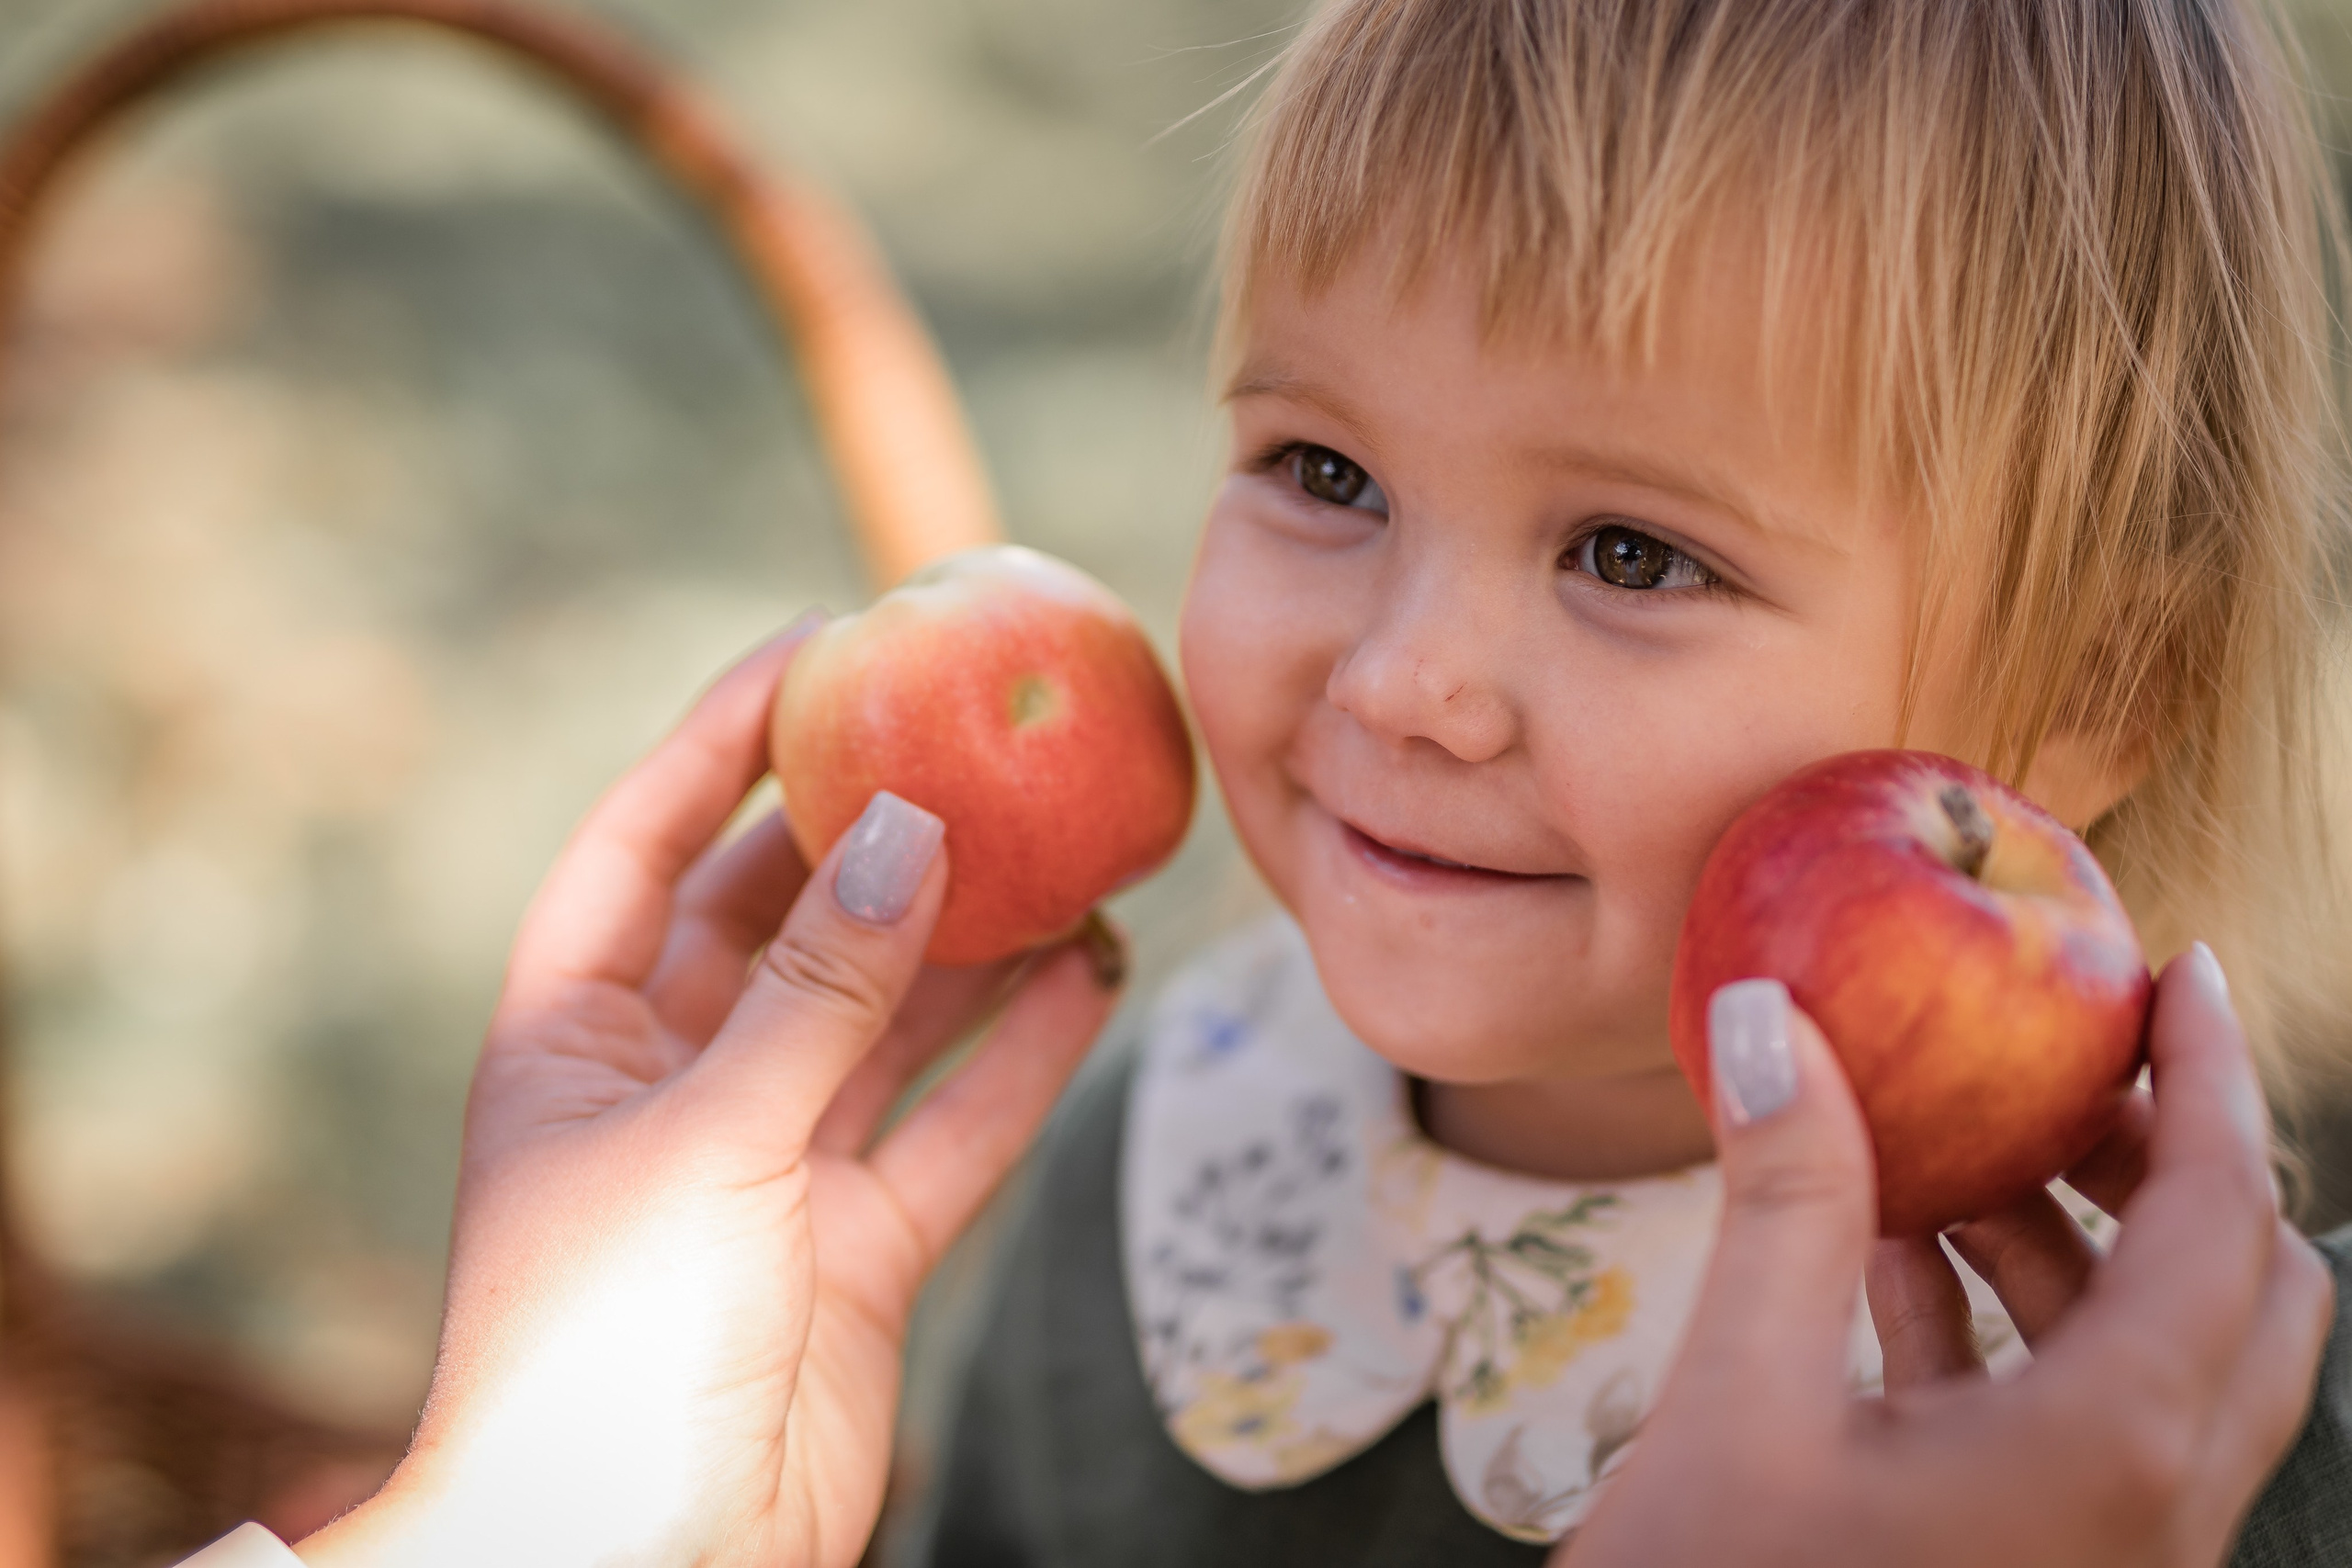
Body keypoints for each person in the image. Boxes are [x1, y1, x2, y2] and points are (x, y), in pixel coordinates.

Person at [175, 0, 2350, 1562]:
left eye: (1629, 551)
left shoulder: (2148, 1437)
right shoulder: (1175, 1138)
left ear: (2096, 681)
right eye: (1321, 468)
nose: (1403, 681)